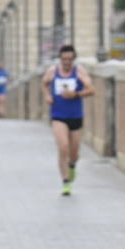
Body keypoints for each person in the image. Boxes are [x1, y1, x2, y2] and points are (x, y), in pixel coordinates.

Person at [42, 44, 94, 196]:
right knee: (63, 146)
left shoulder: (79, 72)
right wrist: (47, 95)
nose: (66, 62)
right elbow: (44, 83)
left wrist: (76, 94)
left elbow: (91, 90)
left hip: (76, 115)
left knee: (74, 153)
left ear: (74, 59)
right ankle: (65, 182)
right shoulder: (53, 71)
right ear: (60, 59)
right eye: (64, 59)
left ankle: (72, 166)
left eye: (69, 59)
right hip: (58, 115)